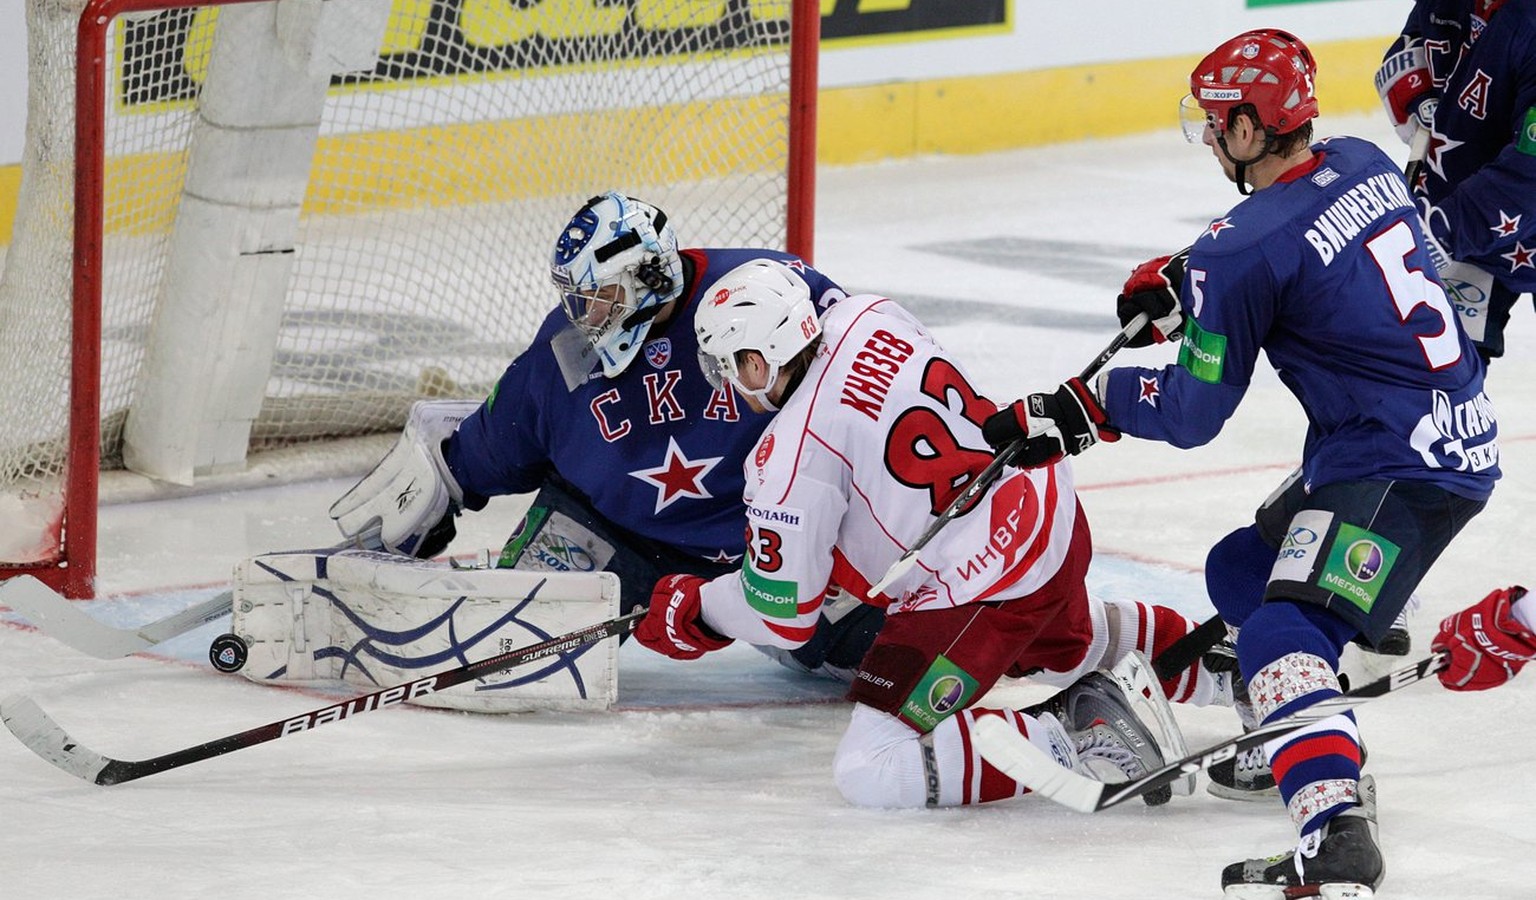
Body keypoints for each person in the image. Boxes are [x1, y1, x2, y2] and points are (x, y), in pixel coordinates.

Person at [979, 29, 1500, 897]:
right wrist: (1186, 279)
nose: (1212, 138)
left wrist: (1092, 406)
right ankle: (1292, 731)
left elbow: (1193, 414)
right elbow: (1294, 240)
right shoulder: (1362, 159)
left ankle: (1336, 832)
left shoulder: (1241, 249)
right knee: (1241, 568)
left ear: (1254, 128)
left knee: (1277, 632)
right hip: (1437, 430)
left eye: (1219, 122)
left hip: (1397, 464)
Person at [631, 257, 1236, 811]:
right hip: (1045, 502)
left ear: (756, 361)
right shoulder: (866, 313)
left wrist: (699, 608)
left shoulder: (789, 460)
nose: (725, 385)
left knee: (871, 767)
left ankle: (1083, 734)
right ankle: (1234, 668)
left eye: (724, 367)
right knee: (1065, 641)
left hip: (982, 579)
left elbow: (783, 614)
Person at [326, 190, 881, 683]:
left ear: (651, 276)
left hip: (775, 540)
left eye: (598, 297)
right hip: (613, 531)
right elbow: (501, 436)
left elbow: (854, 390)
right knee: (504, 654)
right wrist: (437, 485)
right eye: (577, 298)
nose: (582, 316)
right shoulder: (567, 352)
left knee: (881, 656)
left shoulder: (766, 291)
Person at [1375, 0, 1536, 362]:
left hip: (1467, 217)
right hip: (1461, 207)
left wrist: (1445, 229)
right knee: (1433, 377)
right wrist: (1412, 86)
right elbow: (1421, 33)